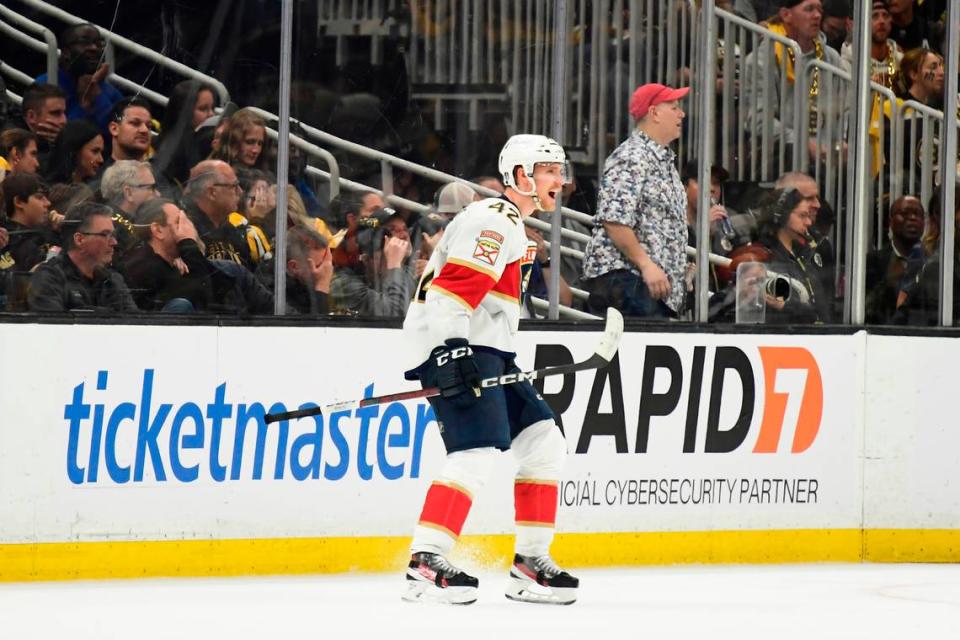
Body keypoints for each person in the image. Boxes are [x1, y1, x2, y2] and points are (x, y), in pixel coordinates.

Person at [401, 134, 578, 605]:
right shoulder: (495, 221)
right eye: (550, 171)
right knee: (476, 450)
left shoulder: (514, 227)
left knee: (544, 442)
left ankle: (529, 565)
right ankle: (425, 560)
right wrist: (452, 352)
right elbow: (450, 294)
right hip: (456, 346)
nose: (561, 180)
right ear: (522, 176)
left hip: (487, 350)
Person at [581, 83, 690, 319]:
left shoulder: (661, 160)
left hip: (643, 284)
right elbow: (614, 220)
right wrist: (646, 265)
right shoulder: (632, 156)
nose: (681, 113)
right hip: (629, 281)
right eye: (674, 107)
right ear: (654, 113)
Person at [742, 0, 850, 170]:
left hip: (826, 159)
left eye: (819, 10)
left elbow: (845, 108)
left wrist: (839, 141)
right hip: (777, 159)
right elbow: (760, 120)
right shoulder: (761, 59)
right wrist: (803, 144)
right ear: (786, 15)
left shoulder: (831, 58)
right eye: (809, 9)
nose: (817, 15)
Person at [27, 201, 138, 313]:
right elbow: (52, 327)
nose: (114, 242)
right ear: (79, 240)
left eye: (113, 235)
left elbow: (134, 324)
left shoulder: (113, 280)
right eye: (105, 234)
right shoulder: (50, 278)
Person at [757, 187, 832, 323]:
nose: (808, 222)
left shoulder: (805, 254)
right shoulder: (763, 257)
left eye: (808, 216)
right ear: (781, 216)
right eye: (802, 216)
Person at [35, 24, 123, 129]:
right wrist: (83, 107)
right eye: (85, 42)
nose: (94, 48)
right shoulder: (45, 85)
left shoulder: (108, 90)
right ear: (66, 52)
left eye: (98, 43)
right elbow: (56, 137)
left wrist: (98, 97)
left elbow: (121, 132)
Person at [182, 160, 254, 269]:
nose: (240, 191)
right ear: (212, 192)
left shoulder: (233, 230)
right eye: (234, 186)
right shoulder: (186, 232)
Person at [0, 173, 57, 310]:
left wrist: (64, 231)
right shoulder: (5, 242)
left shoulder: (50, 234)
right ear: (19, 202)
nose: (47, 203)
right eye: (39, 197)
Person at [865, 195, 924, 323]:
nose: (912, 218)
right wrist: (889, 281)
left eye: (917, 214)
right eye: (904, 213)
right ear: (890, 222)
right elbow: (866, 310)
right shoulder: (873, 262)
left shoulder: (933, 262)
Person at [100, 160, 161, 261]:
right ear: (129, 193)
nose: (158, 194)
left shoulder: (133, 223)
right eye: (151, 188)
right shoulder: (114, 230)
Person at [44, 119, 105, 185]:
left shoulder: (96, 189)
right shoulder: (49, 191)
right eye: (95, 151)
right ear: (75, 149)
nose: (101, 160)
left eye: (101, 152)